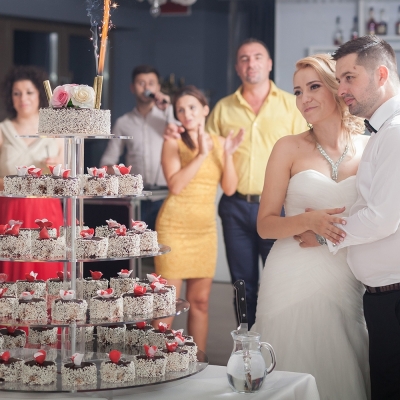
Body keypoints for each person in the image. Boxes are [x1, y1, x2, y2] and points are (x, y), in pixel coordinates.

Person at [165, 38, 307, 329]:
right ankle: (246, 343)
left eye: (257, 57)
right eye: (244, 58)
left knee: (279, 280)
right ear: (237, 68)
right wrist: (174, 130)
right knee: (242, 285)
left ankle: (278, 342)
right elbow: (200, 143)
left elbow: (305, 155)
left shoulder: (291, 106)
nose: (251, 63)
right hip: (236, 206)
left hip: (278, 207)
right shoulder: (223, 109)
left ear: (269, 64)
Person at [253, 54, 370, 399]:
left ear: (337, 88)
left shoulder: (370, 148)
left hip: (345, 276)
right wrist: (307, 220)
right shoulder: (287, 148)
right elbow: (265, 225)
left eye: (314, 87)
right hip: (290, 275)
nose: (304, 99)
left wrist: (325, 235)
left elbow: (381, 217)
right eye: (298, 91)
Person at [319, 36, 400, 400]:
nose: (342, 90)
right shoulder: (384, 131)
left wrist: (323, 233)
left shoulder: (395, 133)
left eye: (350, 78)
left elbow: (382, 219)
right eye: (339, 80)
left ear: (380, 75)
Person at [155, 85, 244, 351]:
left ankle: (198, 360)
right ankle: (156, 362)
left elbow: (230, 188)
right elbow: (176, 186)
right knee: (167, 304)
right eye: (180, 110)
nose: (187, 114)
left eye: (192, 107)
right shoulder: (173, 141)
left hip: (204, 230)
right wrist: (202, 154)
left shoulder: (220, 142)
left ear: (205, 109)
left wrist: (227, 154)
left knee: (201, 302)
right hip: (173, 227)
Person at [0, 65, 64, 281]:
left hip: (46, 210)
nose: (23, 98)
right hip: (10, 210)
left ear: (39, 95)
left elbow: (70, 177)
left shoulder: (56, 131)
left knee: (47, 272)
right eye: (16, 93)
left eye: (29, 92)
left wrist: (58, 167)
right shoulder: (2, 130)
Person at [100, 65, 175, 230]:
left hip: (167, 197)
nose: (146, 88)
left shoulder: (169, 116)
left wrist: (168, 109)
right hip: (136, 199)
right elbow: (107, 162)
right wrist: (121, 174)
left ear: (158, 88)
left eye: (151, 83)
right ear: (132, 88)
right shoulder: (123, 123)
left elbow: (183, 139)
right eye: (141, 83)